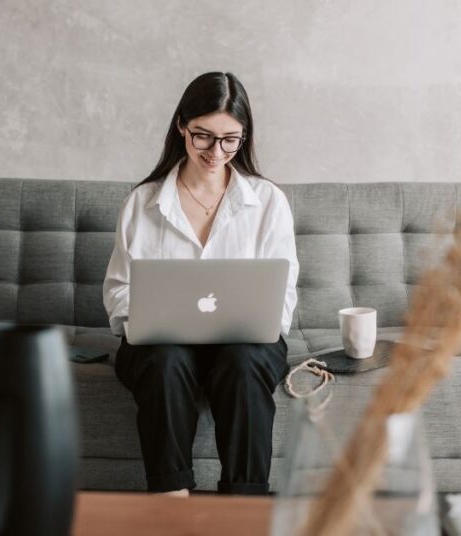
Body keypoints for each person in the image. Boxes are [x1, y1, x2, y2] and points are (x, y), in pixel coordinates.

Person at [102, 72, 299, 496]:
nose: (216, 151)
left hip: (245, 344)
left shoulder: (268, 202)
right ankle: (171, 501)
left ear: (244, 137)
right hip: (161, 347)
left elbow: (281, 294)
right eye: (204, 137)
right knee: (164, 362)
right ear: (181, 126)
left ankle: (244, 506)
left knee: (244, 364)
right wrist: (146, 319)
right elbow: (119, 291)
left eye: (231, 139)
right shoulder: (143, 202)